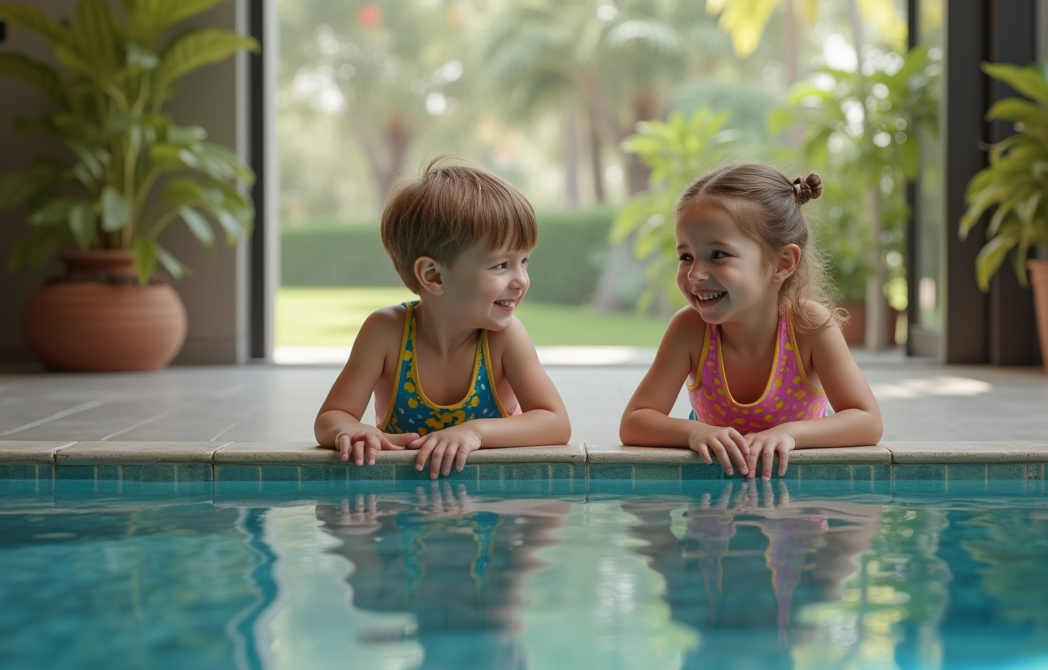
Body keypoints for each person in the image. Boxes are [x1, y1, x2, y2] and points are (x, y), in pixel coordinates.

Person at [619, 164, 883, 480]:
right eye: (686, 256)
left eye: (718, 255)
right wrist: (693, 432)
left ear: (781, 263)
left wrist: (789, 434)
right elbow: (634, 422)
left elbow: (867, 421)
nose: (696, 274)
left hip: (800, 497)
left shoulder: (809, 327)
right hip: (715, 496)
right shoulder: (690, 329)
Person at [315, 158, 571, 478]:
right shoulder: (385, 332)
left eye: (524, 262)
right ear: (433, 275)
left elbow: (555, 422)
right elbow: (332, 416)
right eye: (501, 265)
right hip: (404, 497)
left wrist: (475, 432)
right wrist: (350, 430)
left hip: (490, 493)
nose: (521, 280)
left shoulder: (504, 338)